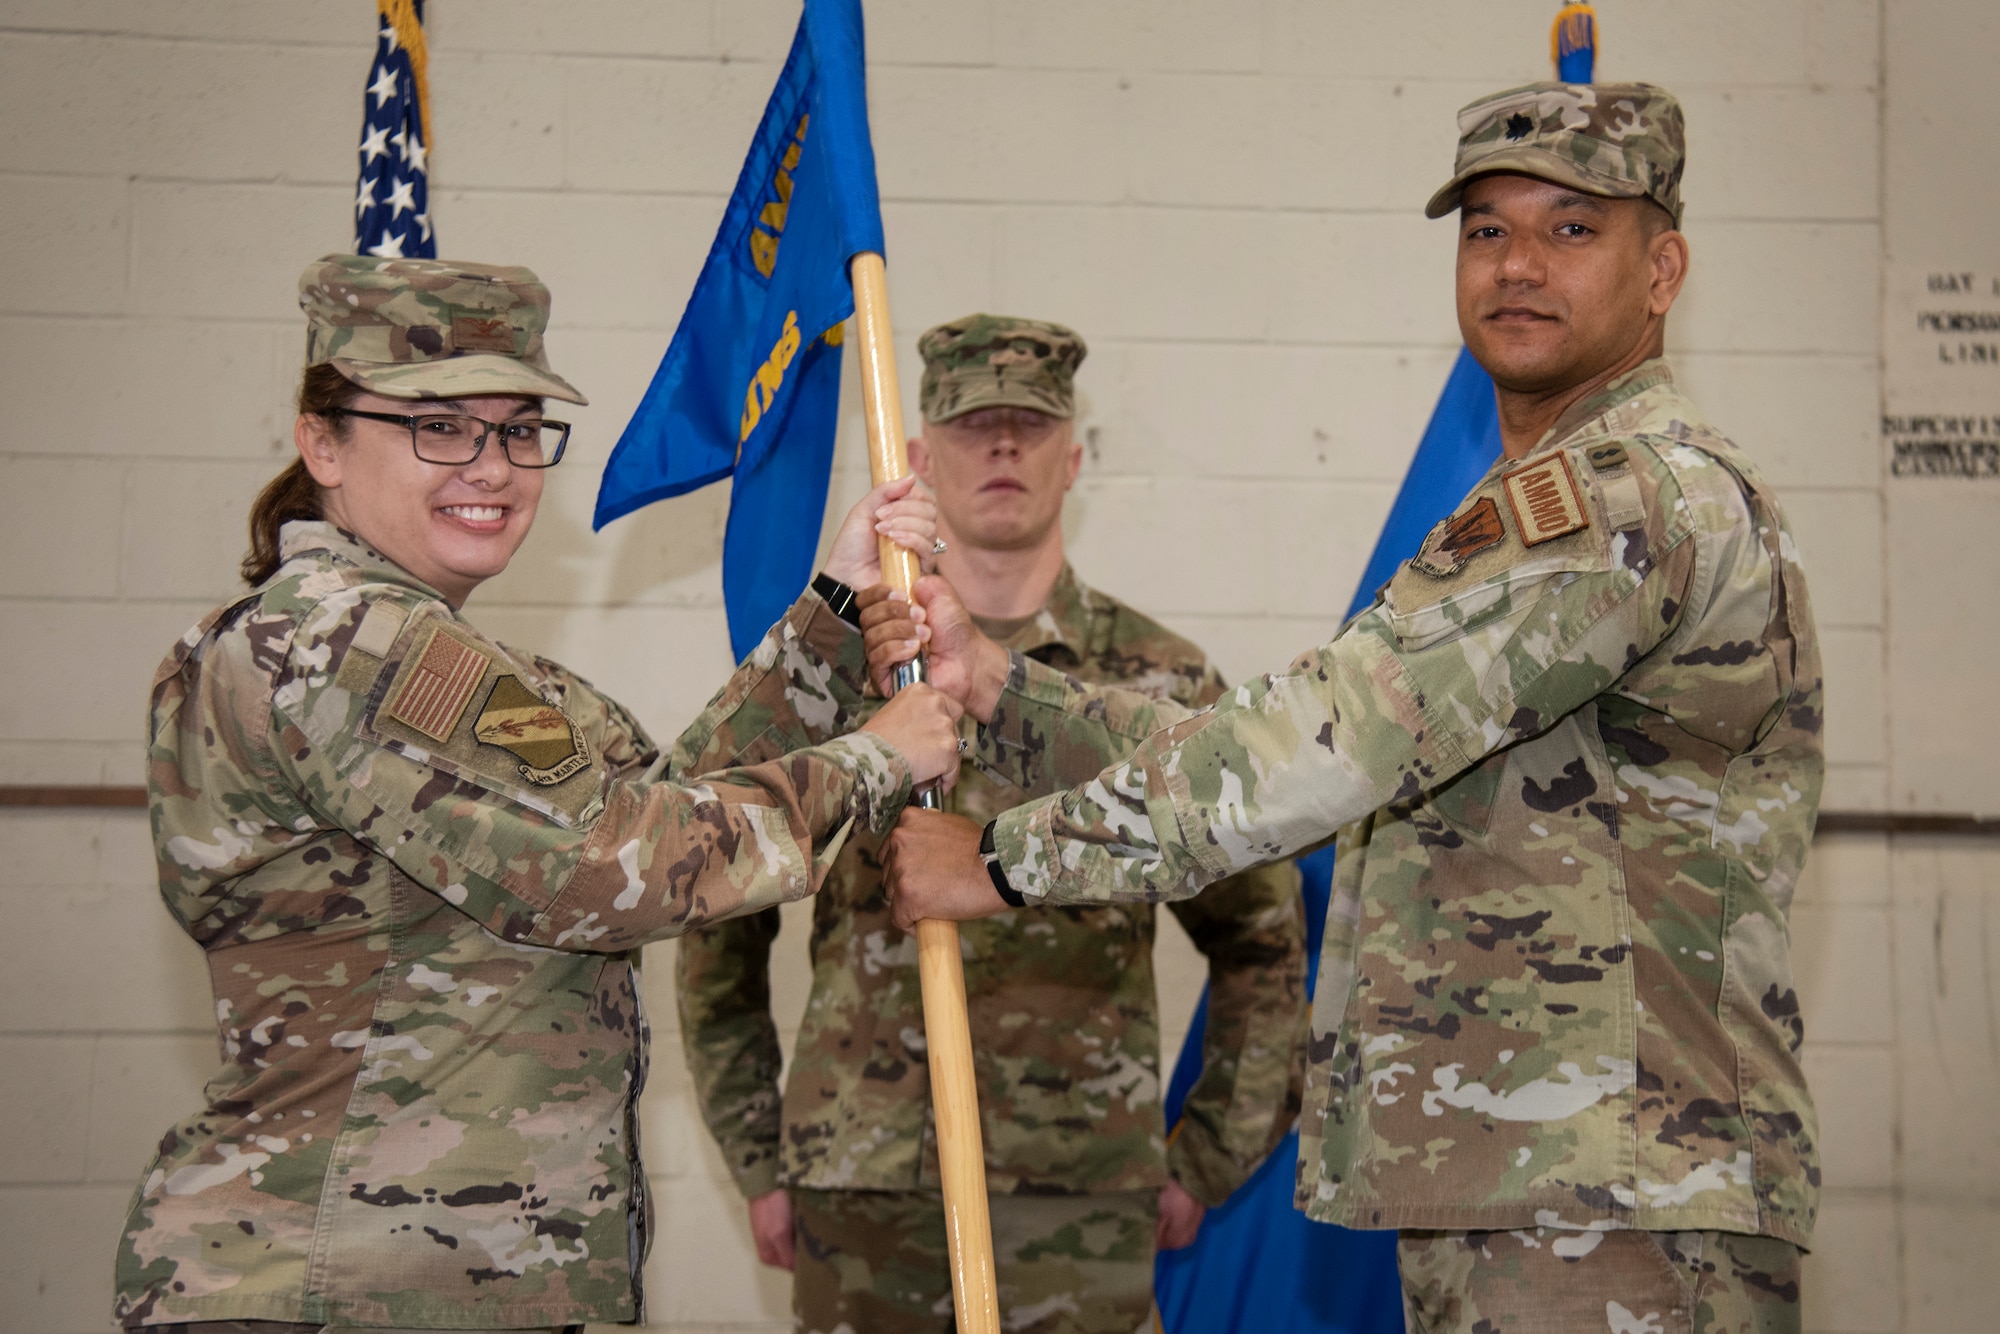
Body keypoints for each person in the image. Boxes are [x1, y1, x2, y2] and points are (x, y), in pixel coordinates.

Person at [874, 84, 1823, 1333]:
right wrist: (997, 687)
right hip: (1538, 1183)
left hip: (1609, 1202)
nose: (1517, 264)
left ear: (1664, 268)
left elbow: (1326, 743)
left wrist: (1000, 859)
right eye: (1484, 229)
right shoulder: (1542, 497)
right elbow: (1332, 746)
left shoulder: (1619, 495)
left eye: (1572, 228)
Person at [113, 254, 963, 1333]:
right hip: (351, 1282)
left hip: (436, 1277)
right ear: (320, 440)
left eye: (518, 429)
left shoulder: (429, 650)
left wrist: (834, 607)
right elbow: (610, 869)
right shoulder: (347, 638)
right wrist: (876, 756)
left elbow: (666, 800)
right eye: (439, 425)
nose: (493, 466)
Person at [673, 315, 1308, 1334]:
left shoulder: (1161, 678)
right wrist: (757, 1151)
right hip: (863, 1183)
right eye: (974, 426)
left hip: (1082, 1191)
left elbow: (1262, 937)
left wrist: (1205, 1157)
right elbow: (717, 924)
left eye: (1030, 424)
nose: (1003, 447)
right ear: (919, 459)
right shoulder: (833, 660)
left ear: (1074, 457)